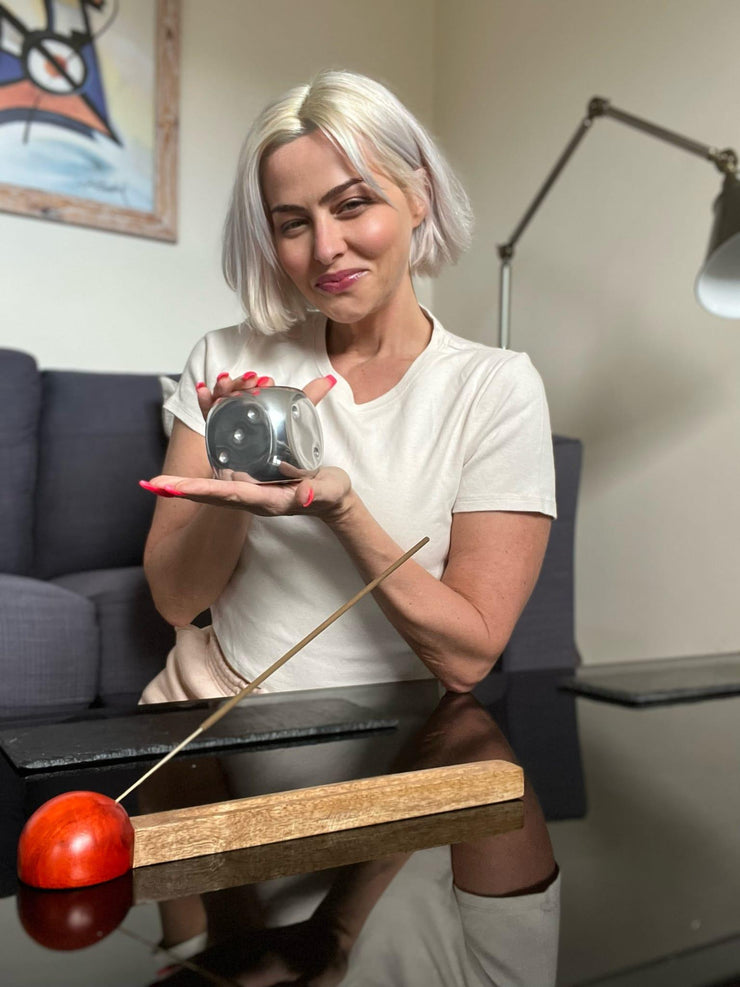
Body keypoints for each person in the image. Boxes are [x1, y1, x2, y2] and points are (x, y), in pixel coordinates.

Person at [139, 69, 556, 703]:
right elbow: (175, 602)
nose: (326, 247)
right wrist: (234, 489)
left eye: (352, 204)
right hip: (210, 705)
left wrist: (342, 511)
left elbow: (468, 659)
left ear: (417, 197)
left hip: (396, 737)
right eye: (292, 223)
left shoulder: (494, 387)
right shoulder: (228, 361)